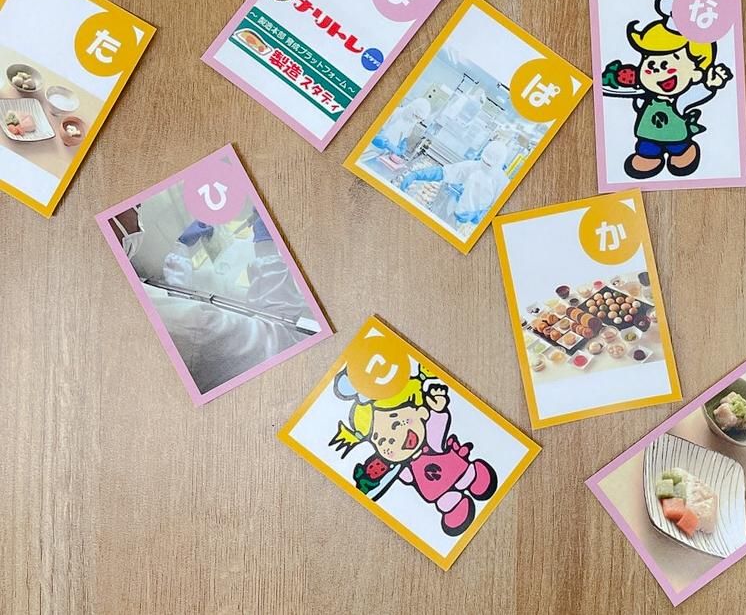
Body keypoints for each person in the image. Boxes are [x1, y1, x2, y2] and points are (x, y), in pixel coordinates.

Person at [109, 207, 313, 397]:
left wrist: (182, 249)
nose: (138, 215)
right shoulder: (195, 325)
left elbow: (171, 302)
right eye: (136, 206)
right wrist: (267, 247)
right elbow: (282, 338)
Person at [329, 367, 498, 535]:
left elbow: (438, 424)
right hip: (437, 492)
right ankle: (454, 506)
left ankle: (474, 478)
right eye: (380, 440)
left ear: (421, 413)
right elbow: (400, 476)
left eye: (395, 422)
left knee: (465, 474)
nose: (392, 439)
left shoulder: (431, 440)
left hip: (454, 467)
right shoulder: (403, 468)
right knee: (446, 500)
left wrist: (438, 409)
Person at [616, 0, 732, 179]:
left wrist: (711, 84)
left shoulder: (680, 101)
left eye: (668, 63)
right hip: (647, 137)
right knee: (647, 149)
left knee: (678, 147)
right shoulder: (644, 95)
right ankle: (647, 157)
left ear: (695, 73)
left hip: (676, 137)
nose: (657, 70)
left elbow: (698, 93)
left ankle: (683, 153)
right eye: (650, 62)